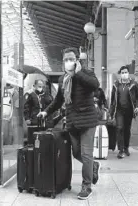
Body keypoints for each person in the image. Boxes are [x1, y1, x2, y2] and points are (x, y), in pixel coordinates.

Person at [37, 47, 100, 200]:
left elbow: (95, 85)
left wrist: (78, 74)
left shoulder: (86, 73)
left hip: (87, 121)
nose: (68, 62)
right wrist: (46, 111)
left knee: (85, 154)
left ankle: (86, 186)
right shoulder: (62, 79)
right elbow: (59, 100)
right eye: (66, 59)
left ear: (77, 60)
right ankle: (94, 166)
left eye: (71, 59)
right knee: (76, 153)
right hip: (72, 122)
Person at [109, 66, 138, 159]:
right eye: (123, 72)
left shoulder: (133, 84)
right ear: (120, 74)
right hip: (119, 110)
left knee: (127, 130)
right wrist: (111, 112)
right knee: (119, 128)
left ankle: (126, 147)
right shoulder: (116, 85)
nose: (125, 74)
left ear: (128, 73)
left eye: (126, 72)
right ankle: (120, 150)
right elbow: (113, 100)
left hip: (129, 110)